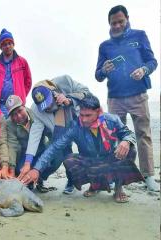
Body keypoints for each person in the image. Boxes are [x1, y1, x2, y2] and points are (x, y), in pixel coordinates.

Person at [24, 95, 144, 203]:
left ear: (98, 112)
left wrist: (126, 141)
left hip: (110, 158)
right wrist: (37, 169)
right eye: (82, 115)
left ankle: (118, 188)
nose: (84, 119)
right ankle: (95, 185)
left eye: (88, 115)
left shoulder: (113, 119)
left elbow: (129, 134)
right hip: (90, 160)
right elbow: (55, 147)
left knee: (131, 150)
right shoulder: (75, 126)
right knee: (69, 160)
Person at [95, 5, 159, 192]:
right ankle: (117, 176)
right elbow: (98, 76)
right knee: (113, 137)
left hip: (138, 94)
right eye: (113, 23)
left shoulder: (140, 36)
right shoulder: (104, 46)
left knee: (143, 135)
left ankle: (148, 176)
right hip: (115, 97)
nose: (117, 26)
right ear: (109, 23)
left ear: (127, 19)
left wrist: (144, 70)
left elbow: (152, 61)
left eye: (120, 22)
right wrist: (103, 70)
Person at [24, 75, 90, 194]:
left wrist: (69, 99)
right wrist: (28, 162)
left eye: (49, 103)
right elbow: (35, 136)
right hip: (59, 132)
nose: (48, 108)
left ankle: (101, 178)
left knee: (88, 151)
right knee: (63, 154)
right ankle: (70, 180)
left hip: (80, 122)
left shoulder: (65, 81)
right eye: (44, 106)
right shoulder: (36, 110)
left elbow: (86, 93)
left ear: (54, 92)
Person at [5, 95, 51, 192]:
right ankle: (28, 180)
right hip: (25, 155)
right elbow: (12, 146)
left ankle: (40, 179)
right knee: (19, 169)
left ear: (24, 106)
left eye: (20, 111)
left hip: (42, 150)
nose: (18, 116)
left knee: (54, 159)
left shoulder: (37, 114)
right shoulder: (9, 123)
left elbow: (52, 134)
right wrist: (11, 171)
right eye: (13, 114)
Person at [0, 29, 32, 117]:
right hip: (1, 106)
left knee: (19, 129)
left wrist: (21, 95)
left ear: (13, 44)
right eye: (4, 44)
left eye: (9, 43)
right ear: (0, 47)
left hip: (18, 106)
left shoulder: (22, 62)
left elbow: (28, 82)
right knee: (3, 130)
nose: (8, 46)